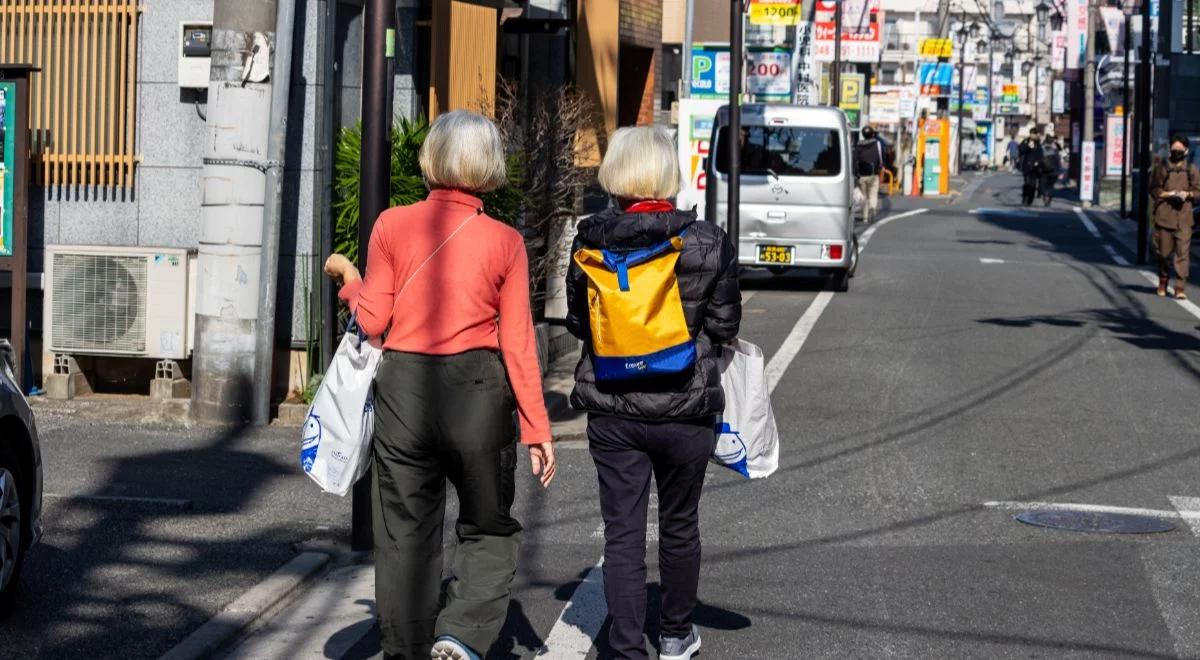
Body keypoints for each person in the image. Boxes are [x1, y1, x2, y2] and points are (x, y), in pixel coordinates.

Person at [322, 110, 556, 660]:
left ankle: (406, 649)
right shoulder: (505, 241)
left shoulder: (391, 225)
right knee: (488, 525)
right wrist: (537, 428)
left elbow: (374, 321)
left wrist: (351, 284)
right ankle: (461, 633)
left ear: (431, 160)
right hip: (478, 388)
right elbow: (519, 341)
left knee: (404, 533)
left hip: (404, 386)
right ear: (488, 167)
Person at [565, 126, 741, 660]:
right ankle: (674, 634)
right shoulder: (707, 241)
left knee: (622, 535)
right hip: (686, 407)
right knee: (680, 525)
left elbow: (579, 324)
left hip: (614, 410)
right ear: (667, 173)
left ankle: (624, 648)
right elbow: (726, 323)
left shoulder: (589, 240)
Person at [1149, 135, 1200, 300]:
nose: (1176, 152)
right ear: (1170, 149)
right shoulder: (1162, 167)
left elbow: (1198, 191)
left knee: (1183, 254)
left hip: (1184, 218)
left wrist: (1188, 194)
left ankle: (1179, 287)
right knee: (1163, 254)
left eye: (1180, 150)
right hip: (1164, 217)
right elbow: (1154, 189)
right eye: (1174, 149)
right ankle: (1163, 280)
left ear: (1186, 150)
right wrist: (1168, 194)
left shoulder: (1191, 168)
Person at [854, 126, 885, 222]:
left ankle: (865, 217)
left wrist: (856, 173)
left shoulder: (858, 145)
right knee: (873, 193)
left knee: (864, 196)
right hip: (873, 174)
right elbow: (881, 158)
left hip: (861, 175)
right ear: (872, 134)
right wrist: (881, 166)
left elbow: (855, 160)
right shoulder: (877, 144)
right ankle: (873, 207)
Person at [1018, 128, 1044, 206]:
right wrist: (1027, 147)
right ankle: (1025, 199)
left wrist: (1038, 162)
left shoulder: (1038, 144)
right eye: (1031, 133)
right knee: (1027, 183)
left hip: (1035, 168)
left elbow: (1041, 155)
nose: (1032, 135)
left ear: (1036, 135)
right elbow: (1020, 150)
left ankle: (1030, 199)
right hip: (1026, 167)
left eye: (1033, 134)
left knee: (1033, 185)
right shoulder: (1026, 141)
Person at [1039, 133, 1063, 207]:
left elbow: (1038, 160)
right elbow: (1058, 161)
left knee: (1043, 186)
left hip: (1043, 171)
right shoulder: (1055, 150)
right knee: (1050, 186)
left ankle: (1045, 197)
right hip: (1054, 171)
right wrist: (1060, 172)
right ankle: (1048, 198)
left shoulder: (1041, 150)